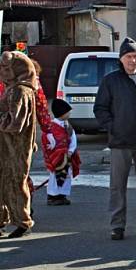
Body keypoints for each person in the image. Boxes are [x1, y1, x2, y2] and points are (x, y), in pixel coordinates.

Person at [93, 37, 136, 241]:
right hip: (120, 142)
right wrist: (113, 128)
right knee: (117, 186)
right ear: (121, 59)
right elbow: (100, 109)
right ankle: (117, 225)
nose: (132, 60)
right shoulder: (111, 80)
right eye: (128, 56)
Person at [0, 51, 38, 238]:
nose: (2, 72)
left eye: (7, 68)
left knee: (14, 183)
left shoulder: (19, 91)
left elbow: (15, 123)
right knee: (7, 183)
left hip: (13, 149)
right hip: (10, 148)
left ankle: (22, 222)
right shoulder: (18, 89)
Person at [44, 99, 81, 206]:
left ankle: (62, 195)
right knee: (55, 176)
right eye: (67, 112)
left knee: (66, 175)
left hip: (67, 157)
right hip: (57, 158)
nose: (69, 113)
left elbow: (73, 139)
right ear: (61, 113)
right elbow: (49, 140)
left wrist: (70, 151)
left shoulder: (68, 126)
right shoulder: (52, 127)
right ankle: (53, 196)